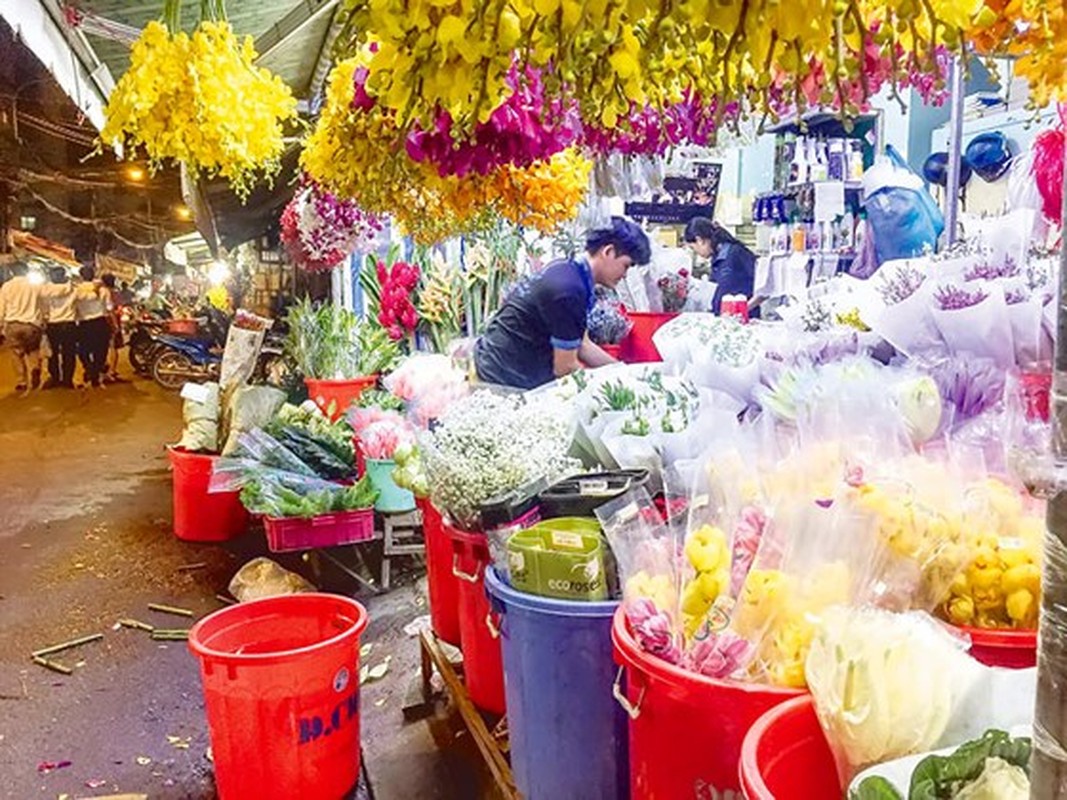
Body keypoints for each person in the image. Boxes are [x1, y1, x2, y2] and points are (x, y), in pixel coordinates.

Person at [474, 217, 652, 390]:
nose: (625, 275)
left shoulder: (571, 273)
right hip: (503, 379)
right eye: (626, 265)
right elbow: (565, 367)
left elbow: (583, 345)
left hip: (502, 365)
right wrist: (615, 388)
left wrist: (624, 373)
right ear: (608, 252)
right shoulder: (569, 289)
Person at [0, 262, 74, 392]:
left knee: (16, 354)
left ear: (12, 272)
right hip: (32, 325)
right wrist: (69, 285)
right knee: (33, 351)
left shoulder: (6, 287)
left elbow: (1, 308)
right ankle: (35, 370)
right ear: (26, 271)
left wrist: (1, 326)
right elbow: (52, 294)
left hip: (13, 324)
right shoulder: (35, 286)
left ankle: (22, 381)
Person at [683, 217, 762, 317]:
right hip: (729, 316)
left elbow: (760, 286)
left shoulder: (733, 255)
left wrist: (744, 309)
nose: (697, 253)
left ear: (700, 240)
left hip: (743, 317)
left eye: (693, 248)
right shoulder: (719, 256)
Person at [74, 265, 113, 388]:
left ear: (81, 276)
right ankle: (95, 374)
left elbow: (74, 308)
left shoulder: (77, 290)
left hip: (84, 324)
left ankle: (89, 368)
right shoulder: (103, 290)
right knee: (100, 351)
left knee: (83, 351)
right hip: (100, 323)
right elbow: (109, 308)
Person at [43, 266, 79, 389]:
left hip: (53, 325)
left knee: (52, 354)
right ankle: (67, 380)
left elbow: (43, 308)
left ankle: (55, 378)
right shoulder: (73, 289)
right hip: (69, 324)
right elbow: (77, 305)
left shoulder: (45, 290)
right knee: (69, 353)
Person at [99, 273, 125, 383]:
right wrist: (115, 324)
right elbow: (118, 309)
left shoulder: (100, 292)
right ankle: (112, 371)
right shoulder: (115, 293)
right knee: (113, 347)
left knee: (103, 347)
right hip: (113, 321)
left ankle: (104, 371)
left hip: (102, 321)